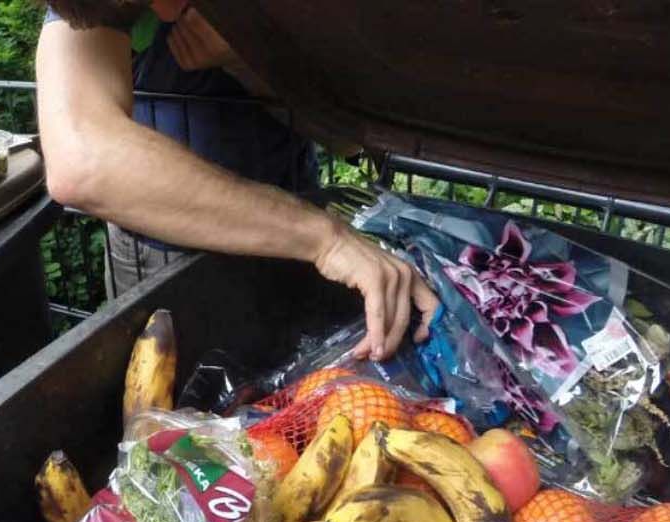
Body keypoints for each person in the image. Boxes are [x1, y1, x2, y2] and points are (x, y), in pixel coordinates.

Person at [37, 0, 438, 359]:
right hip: (158, 256)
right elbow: (81, 161)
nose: (164, 14)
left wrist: (246, 60)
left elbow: (348, 141)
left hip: (296, 241)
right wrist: (325, 239)